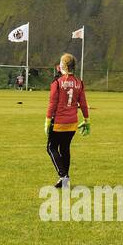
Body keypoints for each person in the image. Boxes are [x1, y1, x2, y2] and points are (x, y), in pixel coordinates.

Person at [45, 51, 89, 188]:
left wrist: (47, 119)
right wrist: (87, 119)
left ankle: (63, 175)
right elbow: (83, 103)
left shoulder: (57, 82)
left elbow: (52, 103)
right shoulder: (79, 82)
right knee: (65, 149)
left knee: (51, 147)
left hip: (59, 121)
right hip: (72, 123)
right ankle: (64, 180)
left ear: (63, 66)